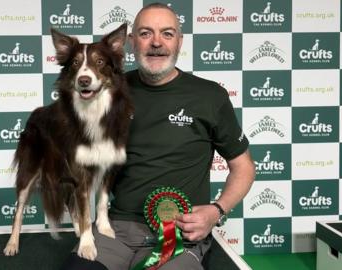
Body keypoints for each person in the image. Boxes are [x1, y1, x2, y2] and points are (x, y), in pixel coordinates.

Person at [61, 3, 255, 270]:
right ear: (130, 42)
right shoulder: (108, 91)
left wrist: (216, 211)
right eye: (145, 33)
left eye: (167, 33)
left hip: (182, 233)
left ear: (179, 41)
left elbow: (243, 167)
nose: (156, 43)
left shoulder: (210, 96)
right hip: (115, 229)